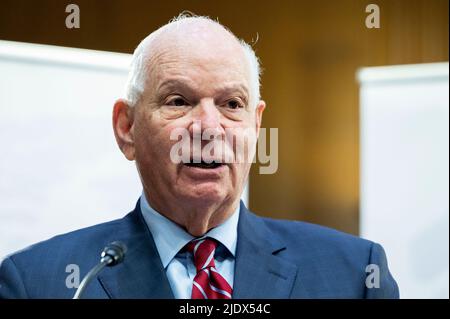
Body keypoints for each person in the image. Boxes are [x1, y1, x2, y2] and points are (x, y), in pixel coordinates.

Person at [0, 14, 399, 299]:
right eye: (178, 101)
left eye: (231, 103)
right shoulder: (40, 282)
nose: (209, 127)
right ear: (127, 128)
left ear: (256, 126)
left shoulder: (354, 275)